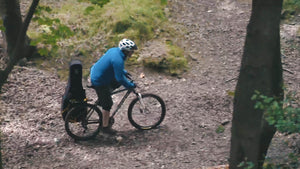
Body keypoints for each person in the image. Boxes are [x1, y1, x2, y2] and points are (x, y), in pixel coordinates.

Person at [90, 39, 137, 135]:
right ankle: (105, 127)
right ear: (126, 50)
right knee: (108, 104)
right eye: (132, 51)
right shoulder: (118, 59)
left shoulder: (114, 51)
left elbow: (113, 66)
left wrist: (123, 72)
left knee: (116, 84)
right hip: (98, 80)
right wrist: (130, 85)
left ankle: (103, 97)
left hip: (97, 72)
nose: (132, 53)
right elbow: (120, 78)